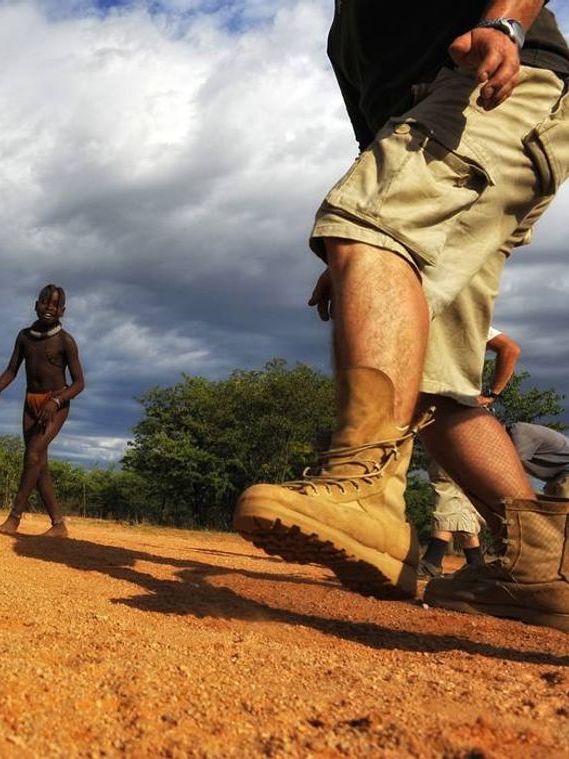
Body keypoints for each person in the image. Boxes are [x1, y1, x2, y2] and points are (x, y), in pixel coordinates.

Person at [232, 4, 569, 632]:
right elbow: (378, 138)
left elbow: (373, 207)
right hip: (452, 125)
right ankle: (539, 561)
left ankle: (365, 490)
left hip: (499, 91)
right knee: (434, 381)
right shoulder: (347, 36)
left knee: (362, 224)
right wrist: (374, 259)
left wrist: (506, 24)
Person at [0, 284, 84, 537]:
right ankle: (59, 524)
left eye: (54, 305)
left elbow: (79, 383)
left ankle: (14, 518)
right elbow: (12, 370)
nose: (48, 308)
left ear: (62, 311)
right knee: (39, 464)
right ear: (35, 304)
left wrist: (57, 402)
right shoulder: (24, 337)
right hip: (31, 403)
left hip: (56, 404)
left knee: (32, 456)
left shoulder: (65, 341)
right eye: (44, 302)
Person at [420, 328, 520, 577]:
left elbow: (511, 349)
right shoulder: (469, 319)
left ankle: (433, 558)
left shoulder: (454, 318)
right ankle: (474, 561)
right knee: (459, 489)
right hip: (462, 410)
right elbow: (510, 348)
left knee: (444, 481)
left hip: (451, 409)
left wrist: (491, 394)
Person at [506, 421, 569, 497]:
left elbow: (514, 469)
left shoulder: (520, 432)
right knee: (548, 504)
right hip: (558, 474)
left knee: (563, 500)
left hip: (564, 474)